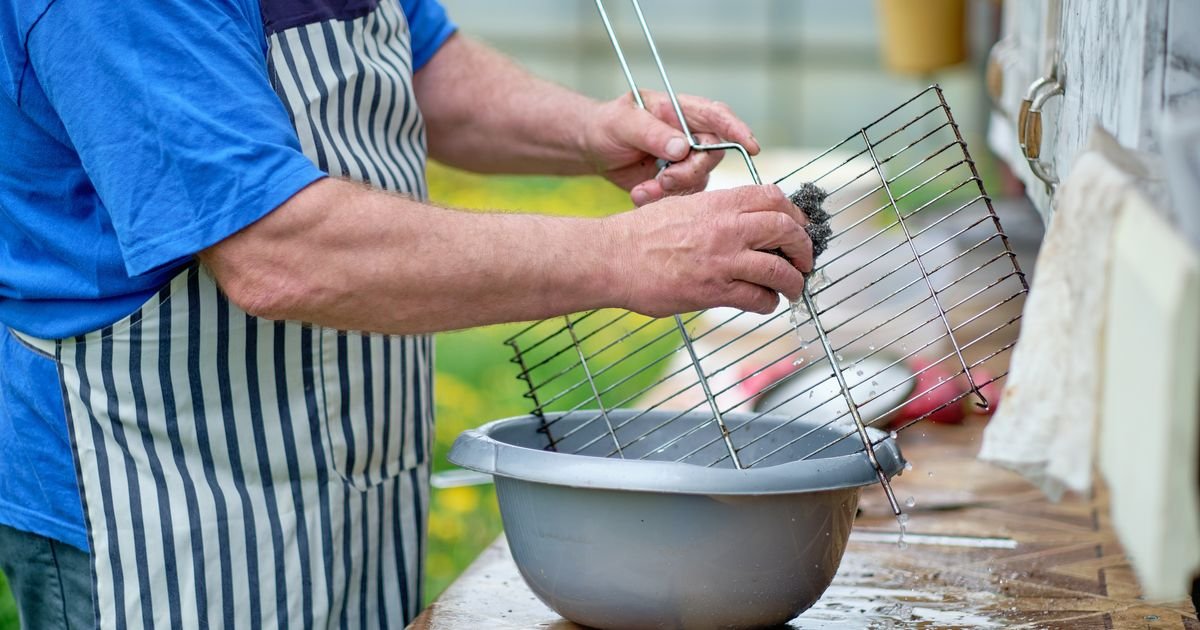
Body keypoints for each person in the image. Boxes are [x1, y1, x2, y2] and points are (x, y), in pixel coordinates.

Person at [0, 0, 813, 627]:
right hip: (157, 496)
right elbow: (276, 252)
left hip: (353, 462)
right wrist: (627, 257)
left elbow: (418, 63)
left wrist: (586, 131)